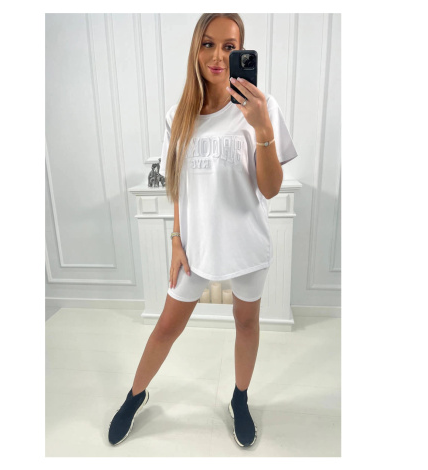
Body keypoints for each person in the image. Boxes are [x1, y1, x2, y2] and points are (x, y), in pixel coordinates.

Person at [108, 13, 298, 448]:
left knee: (245, 322)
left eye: (230, 46)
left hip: (247, 242)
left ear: (241, 51)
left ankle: (240, 398)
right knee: (166, 327)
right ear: (196, 49)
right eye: (208, 44)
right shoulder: (178, 116)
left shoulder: (262, 107)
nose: (218, 56)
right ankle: (135, 396)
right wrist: (176, 240)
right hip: (194, 247)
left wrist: (262, 128)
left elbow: (270, 188)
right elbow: (177, 184)